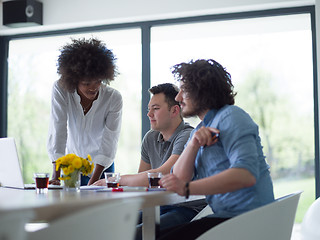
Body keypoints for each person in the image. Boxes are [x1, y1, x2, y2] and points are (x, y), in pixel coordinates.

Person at [158, 59, 275, 240]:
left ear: (203, 90)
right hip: (228, 219)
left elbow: (246, 174)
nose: (178, 97)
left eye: (184, 90)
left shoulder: (232, 117)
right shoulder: (200, 129)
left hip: (247, 222)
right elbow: (178, 179)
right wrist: (192, 145)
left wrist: (187, 188)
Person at [92, 83, 206, 239]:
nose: (149, 114)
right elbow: (142, 180)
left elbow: (163, 173)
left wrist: (116, 180)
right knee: (110, 227)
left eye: (156, 109)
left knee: (134, 234)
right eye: (149, 109)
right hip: (158, 206)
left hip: (187, 209)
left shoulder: (187, 136)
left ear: (174, 110)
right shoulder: (150, 138)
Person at [47, 37, 122, 186]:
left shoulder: (113, 98)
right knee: (71, 207)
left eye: (98, 81)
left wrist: (93, 183)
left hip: (102, 165)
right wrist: (55, 175)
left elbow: (110, 141)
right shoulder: (61, 89)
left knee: (99, 207)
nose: (93, 88)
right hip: (71, 165)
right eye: (86, 83)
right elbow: (58, 129)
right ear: (74, 80)